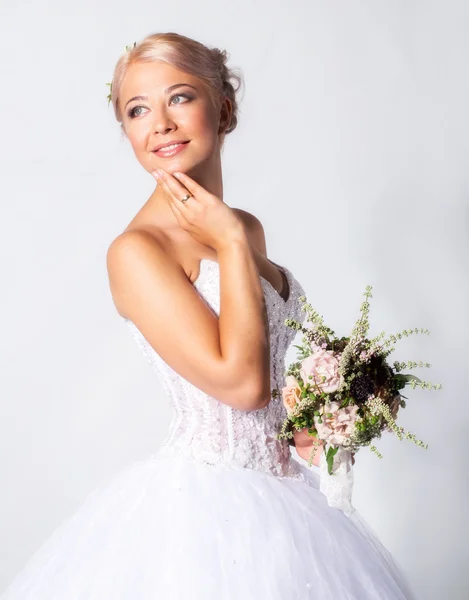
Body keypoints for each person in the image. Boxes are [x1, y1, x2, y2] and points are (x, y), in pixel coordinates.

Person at [0, 32, 418, 599]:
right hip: (201, 505)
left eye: (179, 97)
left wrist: (317, 418)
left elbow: (265, 385)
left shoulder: (244, 227)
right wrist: (225, 241)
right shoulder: (139, 250)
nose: (160, 123)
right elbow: (242, 386)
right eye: (137, 109)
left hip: (290, 500)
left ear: (222, 107)